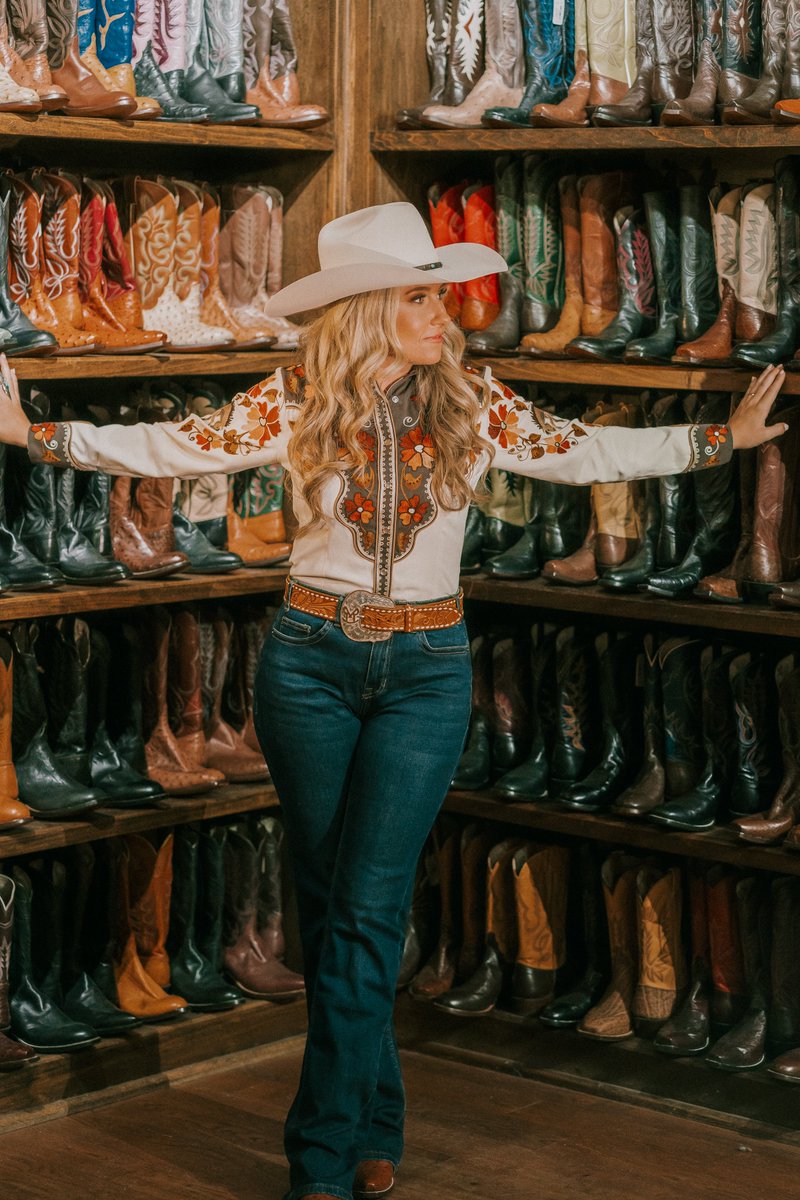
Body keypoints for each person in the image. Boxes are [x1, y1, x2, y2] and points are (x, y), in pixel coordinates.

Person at [0, 201, 788, 1200]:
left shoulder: (470, 397)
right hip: (307, 661)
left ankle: (320, 1162)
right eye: (420, 294)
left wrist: (718, 438)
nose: (443, 309)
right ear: (370, 306)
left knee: (365, 916)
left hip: (423, 669)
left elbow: (582, 452)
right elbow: (178, 446)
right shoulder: (297, 395)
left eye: (436, 292)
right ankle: (375, 1123)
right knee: (333, 909)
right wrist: (37, 434)